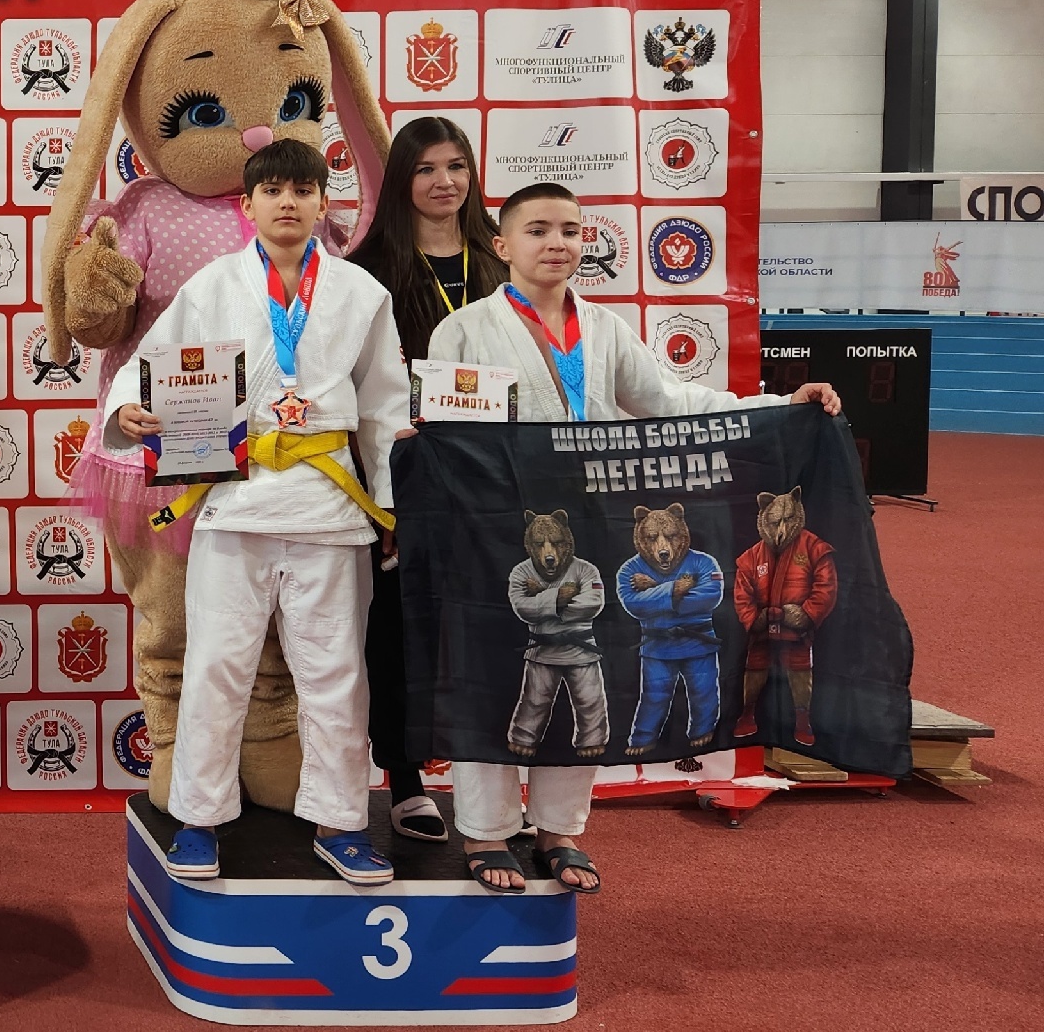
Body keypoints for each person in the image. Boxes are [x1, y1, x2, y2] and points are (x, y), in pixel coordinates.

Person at [425, 181, 840, 897]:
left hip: (584, 526)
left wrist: (779, 403)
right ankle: (487, 830)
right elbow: (441, 435)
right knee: (490, 676)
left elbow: (670, 403)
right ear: (502, 245)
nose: (557, 243)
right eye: (537, 230)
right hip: (491, 531)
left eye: (570, 230)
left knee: (582, 672)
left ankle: (558, 828)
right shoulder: (461, 331)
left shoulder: (605, 328)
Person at [106, 140, 413, 886]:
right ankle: (198, 819)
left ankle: (341, 822)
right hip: (235, 503)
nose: (287, 202)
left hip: (329, 505)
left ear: (323, 202)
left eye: (302, 189)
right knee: (217, 664)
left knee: (336, 673)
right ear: (247, 205)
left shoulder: (360, 292)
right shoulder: (212, 285)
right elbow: (149, 367)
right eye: (272, 190)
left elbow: (384, 406)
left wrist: (394, 510)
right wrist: (129, 412)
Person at [345, 116, 508, 844]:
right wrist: (385, 493)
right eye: (426, 169)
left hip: (493, 477)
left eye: (457, 166)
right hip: (404, 473)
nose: (446, 181)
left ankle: (490, 788)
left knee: (490, 627)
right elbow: (353, 387)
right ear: (400, 180)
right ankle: (404, 777)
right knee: (398, 630)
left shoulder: (500, 257)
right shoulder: (368, 266)